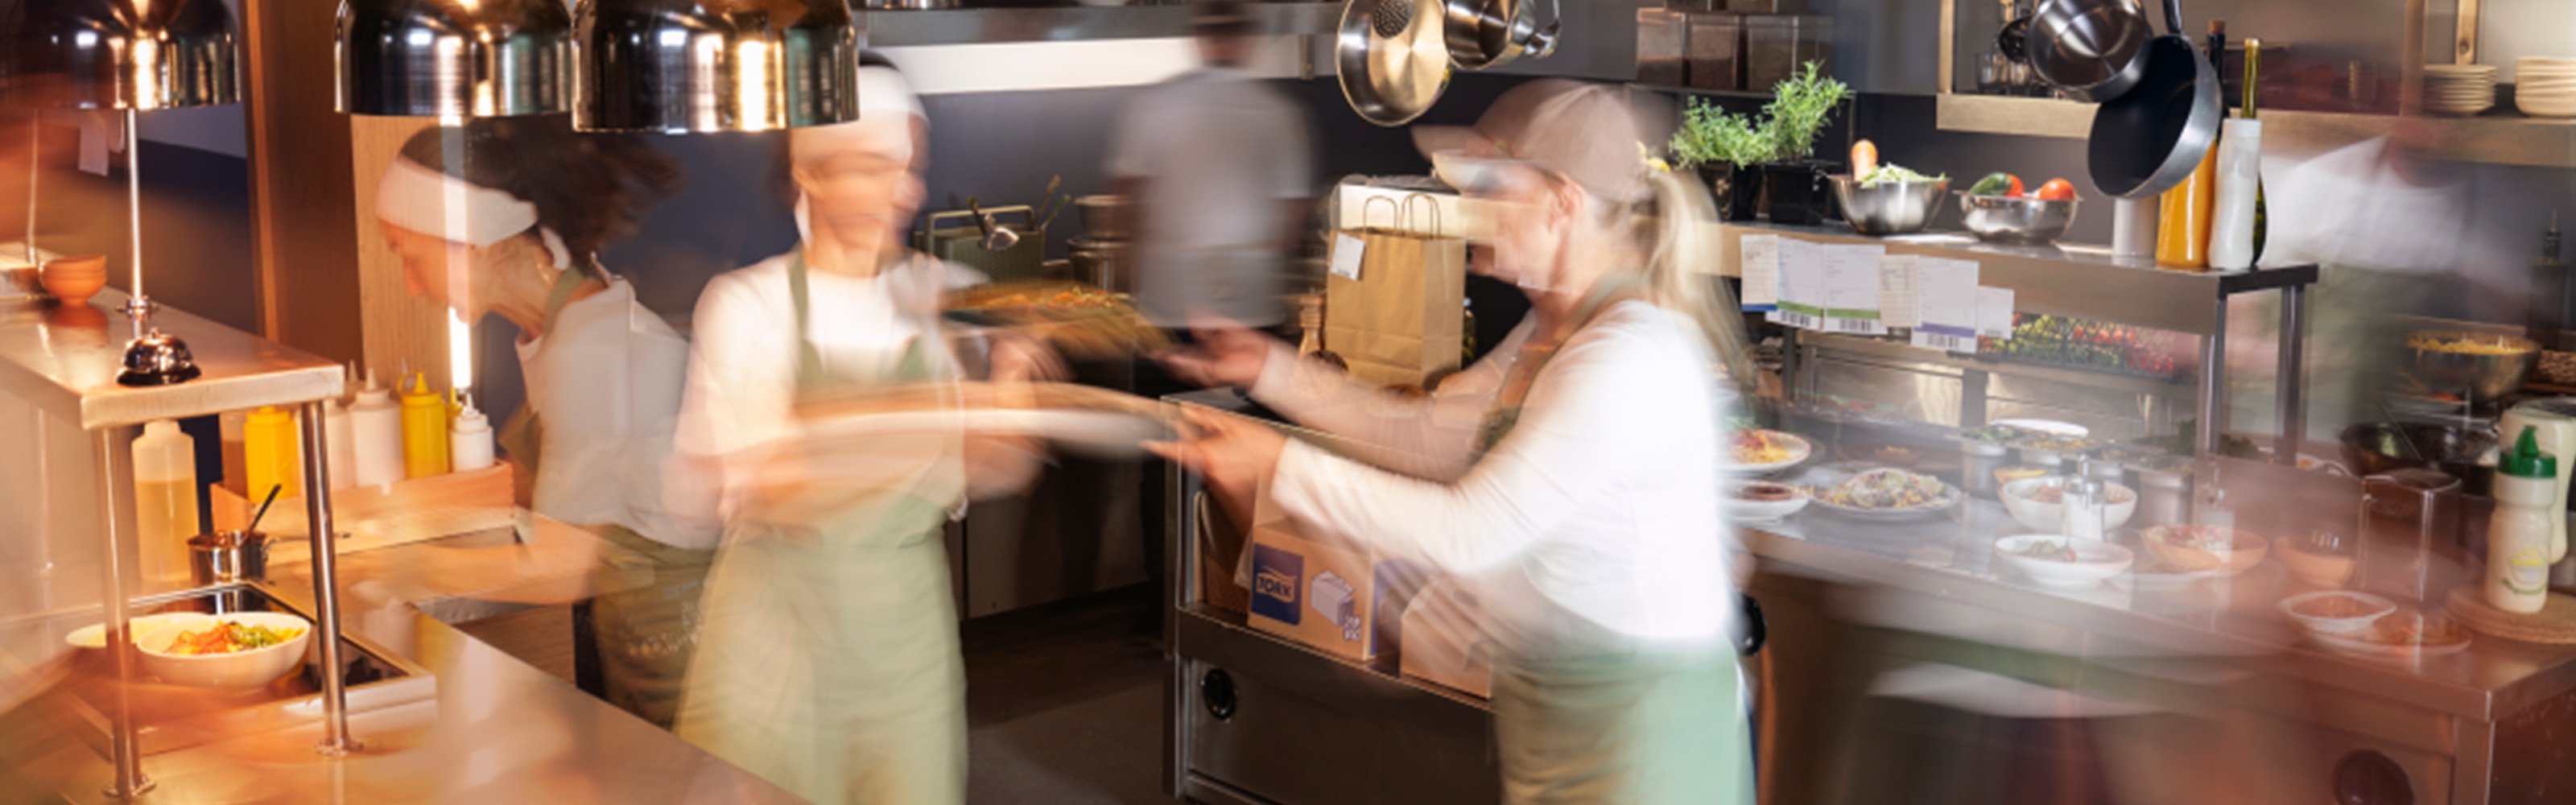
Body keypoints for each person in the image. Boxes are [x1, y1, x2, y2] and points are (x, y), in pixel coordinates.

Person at [1152, 80, 1757, 804]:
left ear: (1562, 202)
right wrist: (1270, 370)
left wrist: (1279, 467)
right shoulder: (1549, 335)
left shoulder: (1623, 356)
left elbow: (1474, 530)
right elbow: (1425, 435)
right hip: (1564, 719)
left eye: (1491, 188)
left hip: (1643, 742)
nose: (1470, 211)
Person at [666, 58, 1055, 805]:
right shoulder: (748, 307)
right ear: (812, 174)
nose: (907, 190)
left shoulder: (951, 298)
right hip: (772, 643)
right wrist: (917, 426)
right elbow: (746, 484)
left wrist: (1013, 391)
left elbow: (998, 471)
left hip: (903, 640)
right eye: (877, 167)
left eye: (912, 166)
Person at [373, 117, 714, 729]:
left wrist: (396, 571)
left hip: (696, 666)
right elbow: (560, 485)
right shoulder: (564, 321)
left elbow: (564, 567)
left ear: (468, 243)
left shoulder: (594, 349)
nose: (412, 285)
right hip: (646, 649)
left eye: (411, 255)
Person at [1104, 0, 1315, 634]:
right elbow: (1290, 222)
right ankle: (1239, 603)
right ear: (1247, 38)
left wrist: (1144, 282)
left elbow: (1125, 207)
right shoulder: (1279, 116)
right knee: (1246, 462)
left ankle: (1167, 607)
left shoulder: (1155, 106)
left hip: (1171, 313)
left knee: (1167, 466)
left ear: (1200, 35)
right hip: (1250, 320)